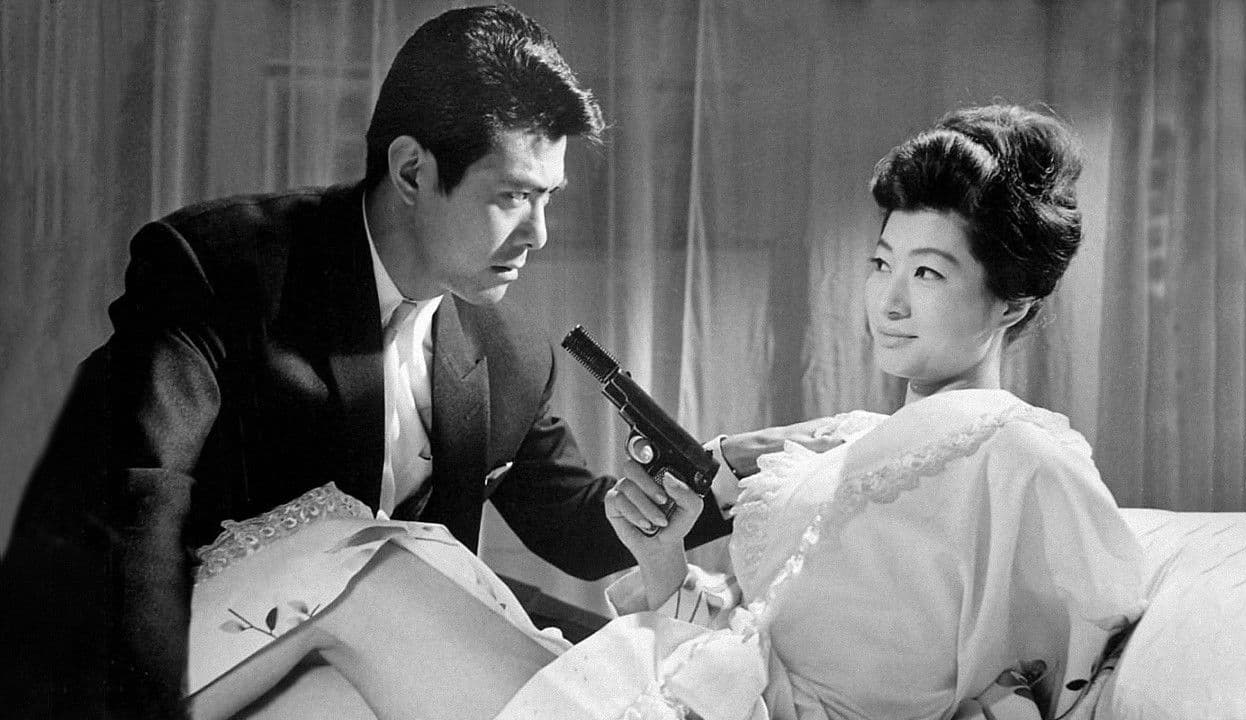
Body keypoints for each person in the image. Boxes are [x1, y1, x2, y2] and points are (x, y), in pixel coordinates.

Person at [170, 103, 1146, 720]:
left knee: (364, 564)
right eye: (880, 262)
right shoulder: (856, 441)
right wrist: (664, 561)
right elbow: (760, 633)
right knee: (316, 693)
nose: (888, 301)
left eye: (928, 274)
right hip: (686, 685)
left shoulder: (1016, 451)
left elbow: (1073, 654)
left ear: (1011, 304)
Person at [0, 6, 830, 718]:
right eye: (512, 196)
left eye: (548, 199)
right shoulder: (225, 268)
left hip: (325, 676)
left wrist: (728, 474)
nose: (538, 234)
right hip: (135, 657)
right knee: (380, 561)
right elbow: (134, 508)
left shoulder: (507, 353)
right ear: (410, 170)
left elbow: (577, 530)